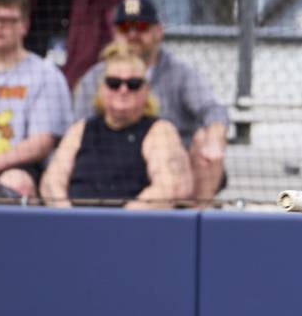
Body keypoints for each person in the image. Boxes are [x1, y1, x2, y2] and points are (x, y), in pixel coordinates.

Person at [74, 0, 228, 204]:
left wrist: (214, 140)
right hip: (111, 163)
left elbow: (213, 109)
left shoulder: (180, 73)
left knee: (203, 140)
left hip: (171, 166)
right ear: (115, 33)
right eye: (125, 28)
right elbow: (79, 130)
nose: (132, 34)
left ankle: (198, 217)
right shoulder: (95, 77)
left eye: (141, 27)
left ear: (158, 31)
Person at [40, 43, 192, 208]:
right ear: (101, 88)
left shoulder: (160, 131)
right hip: (75, 218)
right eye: (114, 83)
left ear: (146, 90)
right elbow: (52, 181)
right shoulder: (80, 129)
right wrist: (67, 213)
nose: (123, 90)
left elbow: (168, 187)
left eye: (133, 84)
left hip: (134, 221)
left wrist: (122, 218)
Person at [0, 0, 72, 200]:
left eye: (7, 20)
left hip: (20, 167)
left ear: (24, 25)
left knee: (16, 183)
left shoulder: (45, 75)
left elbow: (41, 142)